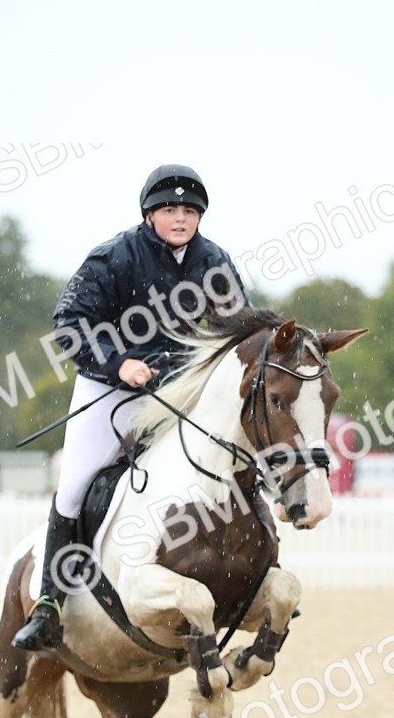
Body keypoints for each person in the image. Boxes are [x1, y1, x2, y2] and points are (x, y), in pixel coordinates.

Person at [13, 164, 249, 651]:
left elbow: (236, 328)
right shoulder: (115, 256)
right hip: (110, 389)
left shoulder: (214, 262)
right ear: (149, 215)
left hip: (179, 392)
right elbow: (70, 320)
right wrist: (120, 363)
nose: (180, 218)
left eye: (189, 211)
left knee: (227, 459)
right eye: (169, 210)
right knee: (75, 485)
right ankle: (49, 605)